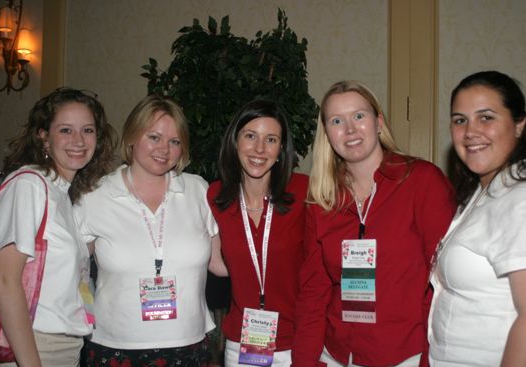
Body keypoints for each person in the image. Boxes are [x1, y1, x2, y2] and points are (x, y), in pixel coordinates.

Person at [292, 81, 456, 367]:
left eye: (359, 116)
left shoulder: (422, 181)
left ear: (379, 122)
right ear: (327, 134)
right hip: (335, 356)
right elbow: (313, 293)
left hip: (405, 356)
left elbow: (444, 283)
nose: (350, 129)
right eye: (337, 121)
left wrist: (430, 360)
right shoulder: (322, 199)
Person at [74, 94, 224, 366]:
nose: (164, 149)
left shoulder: (198, 190)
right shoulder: (96, 195)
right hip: (115, 347)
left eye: (174, 141)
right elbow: (70, 269)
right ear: (132, 136)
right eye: (154, 137)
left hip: (188, 345)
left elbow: (220, 264)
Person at [0, 87, 117, 366]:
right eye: (65, 130)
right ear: (43, 137)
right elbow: (3, 280)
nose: (78, 140)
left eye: (88, 130)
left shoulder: (63, 196)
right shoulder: (28, 184)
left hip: (65, 348)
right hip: (32, 346)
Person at [428, 71, 526, 367]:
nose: (470, 131)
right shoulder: (481, 193)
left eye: (486, 117)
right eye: (459, 120)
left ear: (519, 125)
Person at [207, 99, 308, 366]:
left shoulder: (305, 194)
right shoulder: (215, 196)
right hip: (241, 345)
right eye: (250, 136)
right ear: (235, 141)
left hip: (296, 344)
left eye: (271, 139)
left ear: (282, 148)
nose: (259, 149)